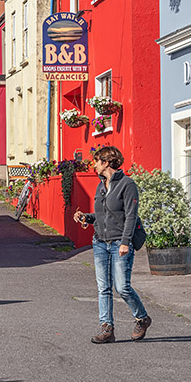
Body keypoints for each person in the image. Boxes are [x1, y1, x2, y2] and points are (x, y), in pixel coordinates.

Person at [73, 146, 151, 344]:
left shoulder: (127, 185)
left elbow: (131, 216)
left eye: (97, 161)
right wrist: (86, 218)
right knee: (103, 288)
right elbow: (102, 215)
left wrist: (125, 242)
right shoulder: (101, 186)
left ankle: (142, 318)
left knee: (122, 287)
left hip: (119, 243)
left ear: (106, 162)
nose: (95, 165)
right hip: (100, 242)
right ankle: (107, 328)